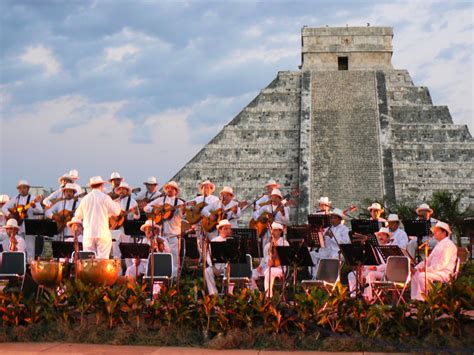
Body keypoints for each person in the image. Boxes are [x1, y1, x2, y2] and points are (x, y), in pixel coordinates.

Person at [74, 176, 121, 259]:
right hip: (102, 233)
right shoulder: (105, 197)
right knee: (102, 261)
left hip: (88, 234)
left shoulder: (85, 199)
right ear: (102, 185)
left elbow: (77, 215)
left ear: (91, 186)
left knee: (88, 261)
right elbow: (117, 212)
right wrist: (117, 202)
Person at [144, 181, 184, 276]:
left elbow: (183, 217)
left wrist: (182, 211)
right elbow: (146, 207)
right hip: (160, 235)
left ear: (176, 191)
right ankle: (160, 276)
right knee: (160, 257)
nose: (170, 190)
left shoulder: (180, 203)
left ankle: (173, 279)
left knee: (174, 258)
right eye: (168, 188)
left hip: (174, 235)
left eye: (172, 188)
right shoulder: (160, 200)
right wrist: (154, 210)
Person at [411, 221, 457, 301]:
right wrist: (416, 268)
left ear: (444, 232)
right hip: (435, 271)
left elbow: (442, 264)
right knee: (416, 274)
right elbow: (428, 260)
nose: (434, 233)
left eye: (437, 231)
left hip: (444, 273)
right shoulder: (438, 245)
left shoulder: (449, 245)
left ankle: (424, 300)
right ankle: (415, 300)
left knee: (422, 276)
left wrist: (426, 270)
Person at [2, 180, 43, 258]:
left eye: (24, 188)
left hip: (30, 225)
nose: (22, 190)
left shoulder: (33, 198)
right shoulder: (16, 198)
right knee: (18, 245)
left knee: (30, 247)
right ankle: (20, 263)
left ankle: (29, 265)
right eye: (20, 188)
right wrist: (10, 215)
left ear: (28, 189)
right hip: (19, 225)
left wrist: (34, 207)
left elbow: (40, 211)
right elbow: (4, 208)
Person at [348, 227, 391, 301]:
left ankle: (368, 298)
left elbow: (390, 264)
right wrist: (364, 267)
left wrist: (377, 268)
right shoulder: (374, 248)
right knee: (352, 274)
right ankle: (354, 297)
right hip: (372, 270)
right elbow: (369, 261)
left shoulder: (391, 248)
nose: (381, 237)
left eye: (383, 235)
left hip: (385, 273)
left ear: (387, 237)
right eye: (379, 235)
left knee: (370, 274)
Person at [251, 222, 289, 297]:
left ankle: (268, 297)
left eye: (275, 230)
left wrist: (275, 247)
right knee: (250, 274)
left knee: (269, 272)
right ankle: (256, 294)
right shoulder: (267, 245)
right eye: (272, 230)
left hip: (279, 268)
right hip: (267, 267)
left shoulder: (285, 243)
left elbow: (285, 259)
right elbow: (264, 258)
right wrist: (260, 266)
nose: (273, 232)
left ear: (280, 231)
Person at [309, 208, 350, 274]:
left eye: (334, 218)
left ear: (339, 219)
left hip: (338, 252)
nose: (332, 220)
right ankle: (315, 276)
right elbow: (321, 242)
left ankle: (329, 278)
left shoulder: (344, 229)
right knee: (312, 254)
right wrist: (321, 237)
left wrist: (332, 236)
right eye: (331, 218)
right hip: (327, 251)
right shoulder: (328, 228)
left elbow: (345, 243)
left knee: (332, 257)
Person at [110, 181, 140, 267]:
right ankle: (116, 273)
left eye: (124, 189)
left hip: (127, 228)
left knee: (128, 252)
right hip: (115, 228)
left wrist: (136, 212)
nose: (121, 191)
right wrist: (114, 218)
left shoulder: (133, 202)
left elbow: (137, 217)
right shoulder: (114, 202)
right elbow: (108, 214)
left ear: (127, 191)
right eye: (120, 189)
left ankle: (129, 274)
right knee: (116, 252)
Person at [204, 219, 234, 296]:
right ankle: (214, 294)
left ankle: (230, 293)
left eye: (229, 229)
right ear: (220, 230)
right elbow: (208, 257)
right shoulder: (214, 241)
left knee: (233, 271)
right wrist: (213, 267)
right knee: (207, 271)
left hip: (228, 268)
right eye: (225, 229)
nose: (228, 231)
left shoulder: (233, 241)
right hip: (216, 267)